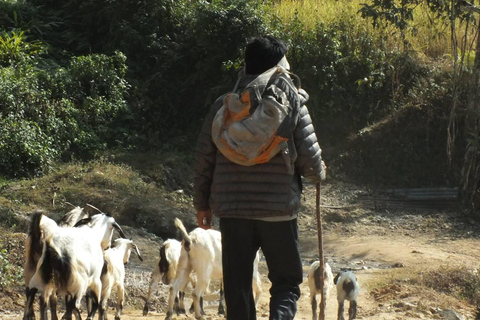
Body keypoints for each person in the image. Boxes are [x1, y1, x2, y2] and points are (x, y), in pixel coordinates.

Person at [193, 35, 326, 320]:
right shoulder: (291, 105)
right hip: (278, 211)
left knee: (237, 286)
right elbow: (312, 165)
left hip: (233, 211)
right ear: (280, 67)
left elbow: (204, 159)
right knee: (286, 282)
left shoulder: (223, 108)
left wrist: (202, 204)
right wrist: (319, 173)